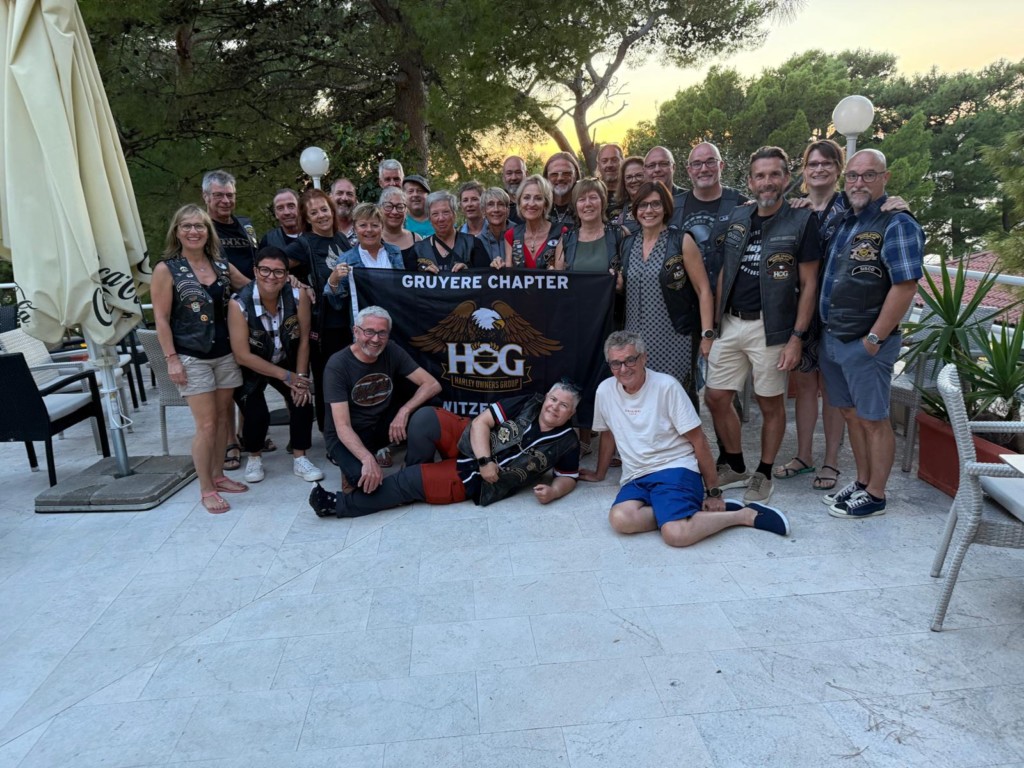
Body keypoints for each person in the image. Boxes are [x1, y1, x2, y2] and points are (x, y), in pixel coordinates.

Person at [579, 331, 790, 547]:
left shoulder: (666, 386)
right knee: (620, 519)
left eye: (630, 360)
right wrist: (599, 473)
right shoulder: (605, 391)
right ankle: (684, 511)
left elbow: (699, 441)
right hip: (636, 475)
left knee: (676, 535)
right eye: (616, 363)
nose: (623, 369)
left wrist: (713, 492)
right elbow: (608, 433)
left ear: (644, 358)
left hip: (675, 468)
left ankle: (744, 515)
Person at [704, 146, 820, 505]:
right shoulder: (738, 216)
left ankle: (764, 472)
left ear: (786, 178)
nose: (767, 182)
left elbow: (810, 284)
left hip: (772, 328)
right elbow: (724, 270)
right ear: (750, 181)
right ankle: (737, 464)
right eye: (760, 175)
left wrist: (796, 338)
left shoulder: (801, 220)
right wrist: (712, 327)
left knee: (770, 403)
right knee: (715, 397)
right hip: (730, 322)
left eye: (774, 174)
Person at [817, 149, 924, 519]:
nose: (858, 182)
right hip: (835, 336)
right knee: (851, 414)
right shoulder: (846, 220)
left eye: (868, 175)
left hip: (866, 342)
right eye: (853, 176)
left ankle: (876, 494)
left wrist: (874, 339)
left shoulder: (897, 223)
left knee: (874, 419)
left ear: (885, 178)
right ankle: (862, 482)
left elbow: (905, 286)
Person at [309, 380, 581, 517]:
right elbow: (481, 423)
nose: (554, 407)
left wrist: (554, 492)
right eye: (553, 399)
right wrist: (485, 459)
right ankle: (415, 481)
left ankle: (337, 505)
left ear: (571, 413)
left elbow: (568, 477)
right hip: (472, 444)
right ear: (546, 397)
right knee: (425, 418)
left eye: (563, 405)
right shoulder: (529, 402)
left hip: (479, 479)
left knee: (410, 480)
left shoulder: (567, 441)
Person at [151, 204, 250, 513]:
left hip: (225, 354)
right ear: (177, 232)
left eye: (199, 226)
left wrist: (293, 285)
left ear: (209, 232)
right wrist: (171, 359)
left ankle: (218, 476)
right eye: (187, 226)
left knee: (222, 420)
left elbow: (253, 287)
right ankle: (206, 488)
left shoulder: (220, 265)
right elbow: (161, 318)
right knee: (206, 424)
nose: (193, 231)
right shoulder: (167, 269)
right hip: (191, 356)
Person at [317, 306, 442, 496]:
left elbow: (432, 384)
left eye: (382, 333)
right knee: (365, 485)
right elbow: (342, 426)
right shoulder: (338, 365)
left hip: (380, 424)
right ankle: (349, 464)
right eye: (369, 332)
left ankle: (413, 468)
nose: (375, 339)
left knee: (430, 407)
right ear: (356, 331)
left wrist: (404, 411)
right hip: (348, 433)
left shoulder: (391, 349)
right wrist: (367, 459)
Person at [228, 247, 323, 484]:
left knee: (302, 399)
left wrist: (300, 377)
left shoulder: (298, 296)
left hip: (286, 357)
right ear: (255, 271)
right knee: (256, 411)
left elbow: (304, 339)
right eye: (265, 270)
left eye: (279, 272)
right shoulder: (239, 303)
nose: (271, 276)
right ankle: (254, 456)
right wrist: (287, 376)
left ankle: (300, 457)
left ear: (287, 274)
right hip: (253, 364)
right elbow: (242, 355)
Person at [619, 181, 715, 408]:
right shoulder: (627, 244)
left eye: (656, 204)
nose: (649, 210)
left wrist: (707, 335)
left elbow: (703, 290)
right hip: (635, 340)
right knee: (641, 402)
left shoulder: (681, 241)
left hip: (673, 337)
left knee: (676, 400)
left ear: (666, 208)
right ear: (635, 210)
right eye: (643, 205)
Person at [551, 177, 628, 454]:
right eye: (582, 199)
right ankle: (584, 438)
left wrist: (621, 283)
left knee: (615, 379)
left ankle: (618, 443)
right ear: (575, 205)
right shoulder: (567, 239)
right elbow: (559, 283)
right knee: (581, 376)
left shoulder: (619, 235)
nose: (587, 203)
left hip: (612, 321)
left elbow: (631, 276)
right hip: (577, 324)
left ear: (603, 201)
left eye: (593, 197)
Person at [284, 189, 353, 432]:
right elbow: (268, 265)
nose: (321, 215)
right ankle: (330, 433)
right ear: (307, 218)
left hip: (349, 321)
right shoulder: (303, 244)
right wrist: (295, 281)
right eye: (314, 212)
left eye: (324, 209)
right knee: (328, 381)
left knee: (350, 378)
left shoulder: (341, 239)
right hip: (325, 327)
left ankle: (349, 428)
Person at [671, 142, 749, 290]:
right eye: (697, 164)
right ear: (689, 170)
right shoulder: (673, 207)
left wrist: (797, 204)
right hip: (684, 298)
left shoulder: (741, 204)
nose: (704, 169)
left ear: (721, 165)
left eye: (711, 162)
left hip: (728, 299)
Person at [202, 170, 259, 280]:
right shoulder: (200, 230)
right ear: (205, 196)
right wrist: (253, 288)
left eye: (230, 195)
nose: (226, 201)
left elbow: (259, 258)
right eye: (218, 195)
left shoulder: (246, 226)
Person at [504, 175, 563, 269]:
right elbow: (509, 274)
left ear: (546, 204)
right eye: (526, 198)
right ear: (519, 203)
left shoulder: (561, 233)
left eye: (538, 198)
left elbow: (561, 274)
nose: (531, 204)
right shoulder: (511, 235)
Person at [543, 152, 581, 232]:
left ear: (575, 176)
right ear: (546, 178)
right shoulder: (540, 207)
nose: (560, 178)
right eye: (554, 174)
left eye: (566, 174)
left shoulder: (584, 206)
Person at [379, 186, 422, 254]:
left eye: (400, 207)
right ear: (380, 209)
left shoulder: (416, 240)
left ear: (406, 211)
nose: (394, 212)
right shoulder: (372, 239)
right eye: (389, 206)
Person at [478, 187, 512, 263]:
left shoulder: (519, 235)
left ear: (508, 210)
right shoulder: (478, 242)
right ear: (483, 211)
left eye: (500, 204)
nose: (496, 209)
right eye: (490, 204)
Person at [612, 155, 645, 235]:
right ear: (623, 181)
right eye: (629, 177)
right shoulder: (617, 209)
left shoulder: (660, 206)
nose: (634, 180)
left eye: (639, 175)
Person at [330, 178, 359, 248]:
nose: (344, 198)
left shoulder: (364, 228)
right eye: (339, 193)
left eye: (349, 194)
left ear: (355, 200)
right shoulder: (323, 229)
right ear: (330, 197)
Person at [597, 143, 624, 212]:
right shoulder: (593, 194)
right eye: (604, 161)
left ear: (623, 162)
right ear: (599, 166)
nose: (609, 165)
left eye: (614, 160)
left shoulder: (631, 191)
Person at [502, 155, 527, 224]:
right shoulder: (498, 203)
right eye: (509, 173)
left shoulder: (536, 201)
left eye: (518, 172)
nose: (514, 178)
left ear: (526, 174)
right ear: (503, 177)